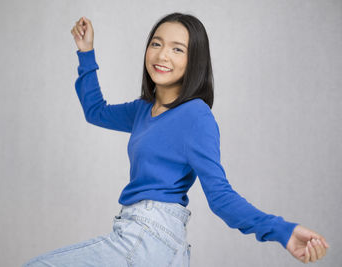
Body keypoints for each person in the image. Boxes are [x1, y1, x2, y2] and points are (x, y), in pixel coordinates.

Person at [23, 12, 329, 266]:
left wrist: (283, 231)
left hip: (149, 238)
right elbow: (96, 111)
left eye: (177, 49)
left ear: (194, 60)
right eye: (156, 43)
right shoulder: (144, 111)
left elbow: (221, 196)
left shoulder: (195, 116)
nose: (162, 54)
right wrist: (86, 53)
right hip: (150, 242)